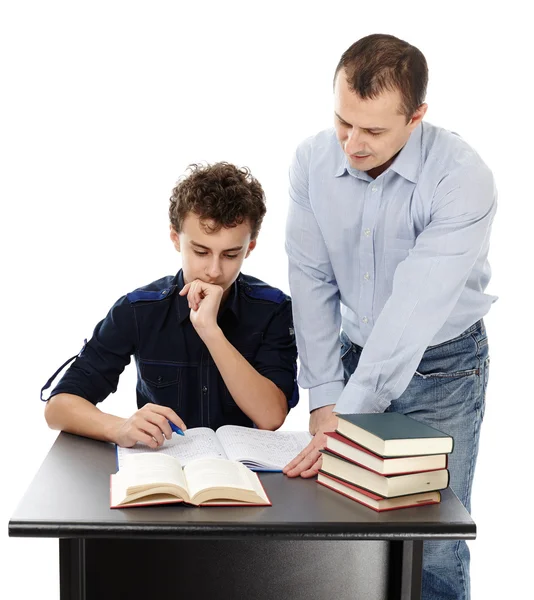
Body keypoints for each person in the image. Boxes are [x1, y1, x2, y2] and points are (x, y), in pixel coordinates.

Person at [283, 33, 496, 600]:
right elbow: (312, 281)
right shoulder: (311, 161)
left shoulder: (460, 178)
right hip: (352, 353)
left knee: (432, 536)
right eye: (342, 121)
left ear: (418, 116)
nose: (351, 143)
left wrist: (347, 415)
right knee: (343, 527)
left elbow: (412, 308)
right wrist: (327, 396)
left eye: (373, 131)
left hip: (442, 368)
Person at [43, 162, 298, 448]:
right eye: (201, 251)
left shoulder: (273, 309)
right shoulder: (138, 310)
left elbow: (271, 417)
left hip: (245, 475)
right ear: (176, 239)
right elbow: (58, 408)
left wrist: (211, 332)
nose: (214, 271)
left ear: (249, 248)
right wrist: (120, 427)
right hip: (165, 472)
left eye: (230, 254)